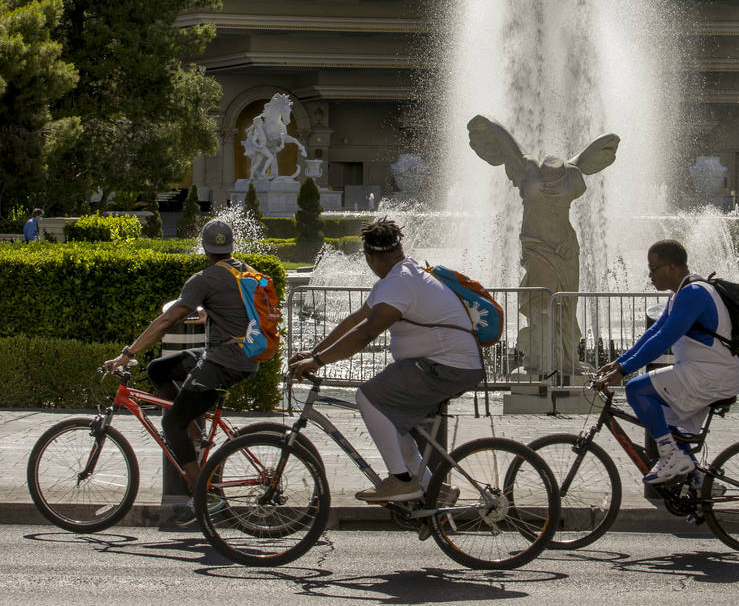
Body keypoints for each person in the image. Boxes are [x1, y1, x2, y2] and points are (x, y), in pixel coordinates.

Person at [290, 217, 484, 502]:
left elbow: (365, 333)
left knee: (368, 397)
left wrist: (318, 363)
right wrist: (314, 353)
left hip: (447, 366)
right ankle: (433, 490)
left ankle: (401, 480)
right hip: (446, 364)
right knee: (392, 420)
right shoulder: (404, 274)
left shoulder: (399, 283)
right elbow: (356, 320)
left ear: (370, 257)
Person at [104, 219, 259, 517]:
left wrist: (127, 353)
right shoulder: (243, 269)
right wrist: (204, 311)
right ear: (230, 247)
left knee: (170, 424)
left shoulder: (203, 278)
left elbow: (165, 322)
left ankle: (202, 495)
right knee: (158, 369)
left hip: (224, 361)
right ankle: (190, 426)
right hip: (241, 353)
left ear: (204, 247)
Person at [595, 239, 739, 484]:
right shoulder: (680, 294)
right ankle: (702, 482)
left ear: (672, 268)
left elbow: (665, 338)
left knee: (637, 391)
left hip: (710, 375)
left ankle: (672, 458)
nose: (649, 275)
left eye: (654, 268)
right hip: (702, 373)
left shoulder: (694, 294)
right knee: (667, 426)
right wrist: (618, 362)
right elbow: (653, 333)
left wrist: (624, 372)